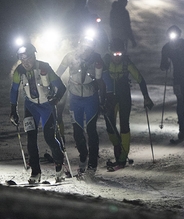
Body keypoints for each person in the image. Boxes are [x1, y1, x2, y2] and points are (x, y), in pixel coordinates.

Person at [9, 43, 67, 183]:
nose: (25, 63)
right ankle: (35, 172)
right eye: (22, 60)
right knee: (31, 140)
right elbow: (14, 90)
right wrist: (13, 110)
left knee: (49, 138)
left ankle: (59, 165)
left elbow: (62, 87)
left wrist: (55, 99)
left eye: (27, 59)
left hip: (47, 106)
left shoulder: (44, 67)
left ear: (34, 56)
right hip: (31, 107)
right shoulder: (19, 71)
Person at [56, 36, 110, 174]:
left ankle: (92, 163)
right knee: (77, 131)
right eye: (84, 47)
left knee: (91, 130)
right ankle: (83, 155)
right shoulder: (70, 57)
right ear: (79, 45)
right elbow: (57, 74)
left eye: (89, 48)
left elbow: (102, 82)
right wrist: (53, 91)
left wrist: (103, 100)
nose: (86, 51)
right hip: (74, 98)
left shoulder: (97, 59)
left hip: (90, 99)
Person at [103, 38, 154, 169]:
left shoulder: (127, 63)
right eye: (115, 54)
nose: (117, 57)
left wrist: (146, 97)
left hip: (124, 97)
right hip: (111, 98)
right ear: (110, 52)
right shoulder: (106, 61)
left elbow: (140, 80)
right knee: (110, 126)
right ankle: (118, 146)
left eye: (120, 54)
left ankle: (122, 158)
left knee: (124, 125)